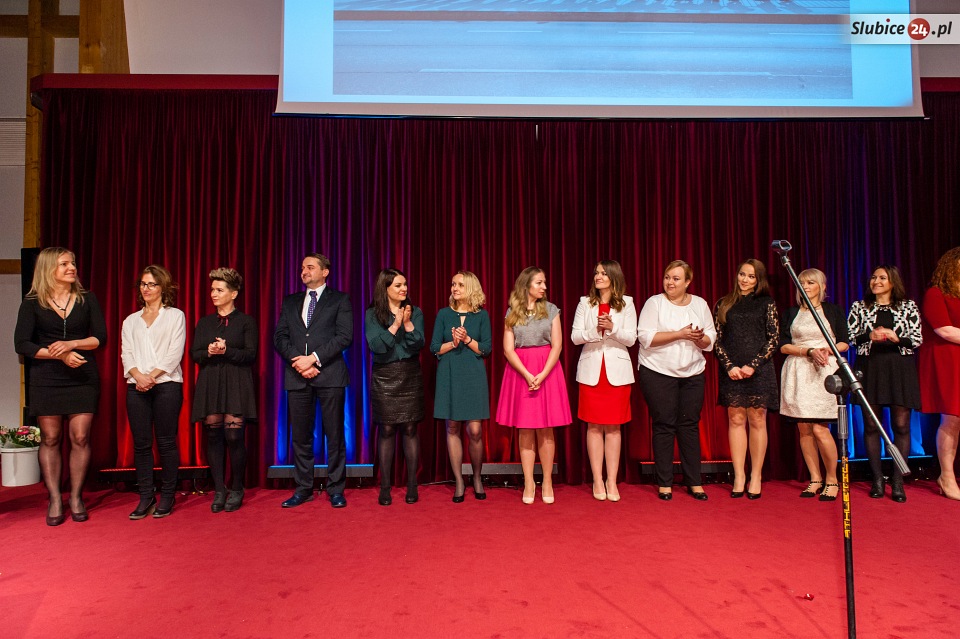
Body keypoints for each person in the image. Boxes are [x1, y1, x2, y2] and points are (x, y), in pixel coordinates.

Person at [14, 247, 106, 526]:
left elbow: (100, 338)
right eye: (64, 264)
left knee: (80, 437)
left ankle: (76, 497)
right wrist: (60, 355)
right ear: (48, 268)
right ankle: (55, 498)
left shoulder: (87, 298)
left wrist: (72, 344)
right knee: (51, 438)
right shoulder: (32, 302)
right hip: (46, 378)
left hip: (82, 377)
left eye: (73, 263)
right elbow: (22, 344)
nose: (71, 267)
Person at [274, 253, 353, 509]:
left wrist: (314, 359)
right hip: (297, 376)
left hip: (330, 375)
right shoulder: (290, 301)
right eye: (302, 268)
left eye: (310, 267)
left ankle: (336, 489)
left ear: (325, 271)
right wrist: (299, 362)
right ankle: (303, 489)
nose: (304, 271)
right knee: (300, 437)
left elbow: (344, 336)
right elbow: (280, 337)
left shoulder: (340, 300)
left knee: (335, 435)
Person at [636, 260, 716, 501]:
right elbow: (645, 337)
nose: (670, 282)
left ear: (688, 282)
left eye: (676, 278)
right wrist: (680, 334)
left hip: (692, 373)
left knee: (689, 425)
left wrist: (698, 338)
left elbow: (710, 340)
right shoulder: (654, 303)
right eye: (667, 277)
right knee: (664, 425)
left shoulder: (700, 304)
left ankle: (695, 482)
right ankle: (665, 483)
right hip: (657, 371)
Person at [496, 267, 572, 504]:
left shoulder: (551, 310)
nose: (544, 287)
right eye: (539, 282)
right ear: (526, 284)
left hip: (547, 370)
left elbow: (557, 346)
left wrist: (542, 374)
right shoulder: (512, 312)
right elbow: (508, 349)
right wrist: (527, 375)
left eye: (544, 282)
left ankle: (547, 481)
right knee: (525, 428)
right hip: (521, 371)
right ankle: (529, 482)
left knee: (546, 428)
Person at [847, 265, 922, 502]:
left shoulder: (908, 306)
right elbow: (849, 338)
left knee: (901, 425)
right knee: (871, 425)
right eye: (873, 277)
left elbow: (917, 339)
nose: (876, 281)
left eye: (882, 277)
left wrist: (895, 337)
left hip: (900, 369)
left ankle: (898, 481)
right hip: (870, 368)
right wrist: (869, 336)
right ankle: (877, 479)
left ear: (893, 282)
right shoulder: (860, 306)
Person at [121, 265, 186, 519]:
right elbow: (126, 354)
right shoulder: (130, 320)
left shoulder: (175, 316)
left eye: (151, 284)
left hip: (167, 385)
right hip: (136, 387)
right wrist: (138, 376)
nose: (146, 289)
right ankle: (146, 496)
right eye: (143, 284)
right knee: (141, 444)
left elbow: (174, 354)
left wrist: (152, 377)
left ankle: (167, 495)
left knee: (166, 442)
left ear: (163, 287)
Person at [190, 268, 257, 513]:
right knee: (213, 436)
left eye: (219, 290)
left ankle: (237, 487)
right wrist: (208, 352)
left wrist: (227, 350)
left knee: (234, 436)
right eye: (212, 290)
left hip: (236, 381)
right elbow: (195, 354)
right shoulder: (204, 322)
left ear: (234, 293)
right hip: (211, 382)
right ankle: (219, 489)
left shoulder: (246, 321)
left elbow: (250, 355)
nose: (213, 294)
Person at [779, 268, 849, 502]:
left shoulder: (832, 310)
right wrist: (807, 351)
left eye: (811, 283)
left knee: (820, 428)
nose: (806, 287)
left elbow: (844, 342)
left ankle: (832, 479)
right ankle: (815, 478)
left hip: (824, 371)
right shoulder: (791, 313)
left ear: (822, 286)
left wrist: (827, 350)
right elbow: (783, 345)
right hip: (798, 370)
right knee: (804, 429)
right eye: (802, 283)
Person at [713, 259, 779, 500]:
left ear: (759, 280)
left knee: (757, 419)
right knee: (736, 419)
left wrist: (753, 365)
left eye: (751, 276)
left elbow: (773, 339)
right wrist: (729, 366)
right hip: (731, 371)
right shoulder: (724, 303)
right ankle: (739, 475)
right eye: (742, 274)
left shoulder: (767, 303)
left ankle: (756, 475)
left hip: (759, 370)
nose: (745, 279)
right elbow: (717, 339)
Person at [571, 260, 637, 502]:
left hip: (617, 373)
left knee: (614, 427)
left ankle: (612, 480)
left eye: (603, 273)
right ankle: (597, 479)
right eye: (596, 273)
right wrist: (595, 331)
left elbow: (631, 338)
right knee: (594, 426)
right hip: (591, 371)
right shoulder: (585, 303)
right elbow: (575, 336)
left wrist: (612, 328)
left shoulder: (627, 303)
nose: (598, 276)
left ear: (613, 276)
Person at [365, 268, 425, 506]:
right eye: (398, 285)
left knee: (410, 428)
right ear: (386, 288)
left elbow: (418, 343)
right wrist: (395, 324)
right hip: (385, 376)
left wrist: (407, 323)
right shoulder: (373, 314)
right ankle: (385, 486)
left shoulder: (415, 312)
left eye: (405, 284)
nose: (404, 289)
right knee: (387, 429)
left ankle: (412, 484)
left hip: (409, 374)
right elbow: (377, 346)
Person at [431, 271, 492, 503]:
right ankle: (459, 481)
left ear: (471, 288)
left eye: (460, 285)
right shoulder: (444, 314)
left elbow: (486, 348)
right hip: (449, 373)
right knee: (453, 427)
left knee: (475, 430)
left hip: (474, 375)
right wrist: (453, 342)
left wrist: (467, 340)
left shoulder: (481, 315)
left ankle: (477, 477)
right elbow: (434, 347)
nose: (454, 288)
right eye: (453, 284)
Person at [919, 247, 960, 501]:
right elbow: (944, 329)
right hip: (949, 360)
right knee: (952, 418)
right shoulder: (936, 293)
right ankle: (946, 476)